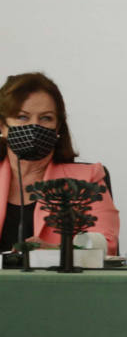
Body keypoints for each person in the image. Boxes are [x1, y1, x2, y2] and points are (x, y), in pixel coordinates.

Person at [0, 73, 119, 255]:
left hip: (58, 274)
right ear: (2, 126)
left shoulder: (86, 179)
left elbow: (105, 247)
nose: (34, 126)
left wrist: (56, 252)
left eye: (46, 118)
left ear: (57, 128)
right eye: (22, 117)